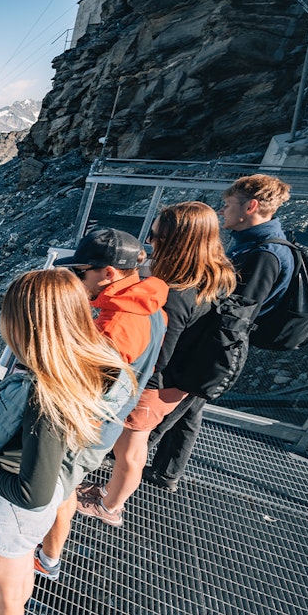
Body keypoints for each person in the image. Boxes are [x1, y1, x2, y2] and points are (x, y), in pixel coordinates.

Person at [0, 269, 136, 615]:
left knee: (8, 585)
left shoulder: (49, 394)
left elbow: (30, 493)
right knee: (19, 572)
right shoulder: (101, 362)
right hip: (48, 493)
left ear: (28, 328)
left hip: (11, 509)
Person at [75, 202, 236, 525]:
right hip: (183, 379)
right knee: (132, 449)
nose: (150, 243)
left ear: (178, 241)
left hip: (157, 385)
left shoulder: (177, 293)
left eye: (156, 236)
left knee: (131, 451)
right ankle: (110, 495)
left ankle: (110, 507)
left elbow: (159, 354)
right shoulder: (214, 277)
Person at [32, 229, 167, 578]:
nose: (77, 280)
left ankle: (47, 560)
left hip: (88, 427)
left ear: (108, 273)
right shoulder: (148, 305)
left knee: (59, 489)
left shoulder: (117, 324)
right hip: (110, 418)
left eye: (82, 272)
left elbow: (87, 387)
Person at [146, 176, 292, 489]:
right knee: (188, 411)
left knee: (165, 413)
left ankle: (124, 470)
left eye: (228, 205)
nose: (223, 211)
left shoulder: (264, 254)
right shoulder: (255, 245)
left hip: (212, 347)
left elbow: (238, 314)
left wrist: (206, 363)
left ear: (250, 207)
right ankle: (165, 473)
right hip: (210, 345)